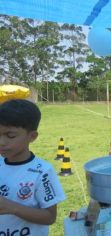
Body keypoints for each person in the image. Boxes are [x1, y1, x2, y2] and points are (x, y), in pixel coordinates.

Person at [0, 99, 66, 236]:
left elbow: (50, 217)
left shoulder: (42, 172)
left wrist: (11, 207)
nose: (1, 142)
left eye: (10, 136)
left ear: (32, 136)